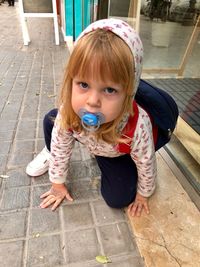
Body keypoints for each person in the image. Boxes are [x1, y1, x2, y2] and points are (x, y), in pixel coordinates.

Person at [26, 18, 156, 217]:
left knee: (118, 199)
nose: (93, 101)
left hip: (114, 151)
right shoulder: (70, 111)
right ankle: (49, 153)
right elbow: (62, 143)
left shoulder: (137, 126)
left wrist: (143, 195)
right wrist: (57, 183)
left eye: (109, 89)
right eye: (84, 85)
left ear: (129, 92)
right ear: (71, 81)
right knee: (52, 121)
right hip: (87, 137)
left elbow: (146, 162)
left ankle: (102, 160)